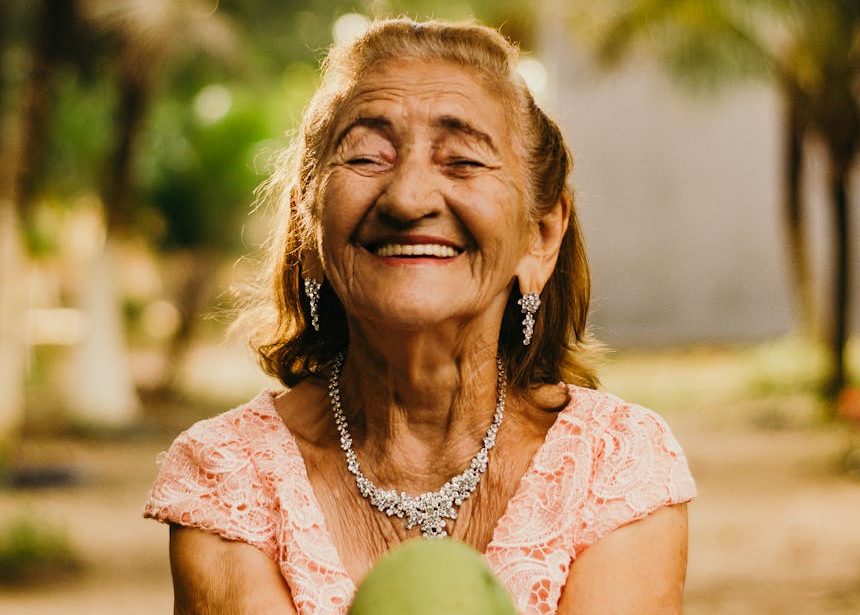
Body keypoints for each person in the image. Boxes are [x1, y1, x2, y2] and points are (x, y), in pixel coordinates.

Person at [143, 18, 696, 614]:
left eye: (461, 160)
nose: (408, 198)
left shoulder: (613, 468)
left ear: (540, 237)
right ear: (310, 229)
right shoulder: (230, 477)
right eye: (366, 156)